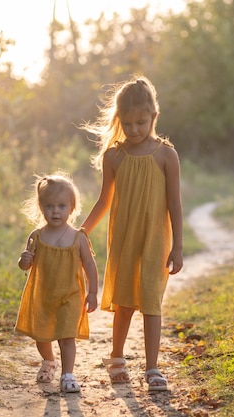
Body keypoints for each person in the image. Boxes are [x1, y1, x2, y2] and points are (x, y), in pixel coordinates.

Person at [80, 75, 183, 392]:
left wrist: (177, 246)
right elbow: (104, 201)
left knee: (152, 301)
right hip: (124, 238)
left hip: (155, 239)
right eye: (128, 123)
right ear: (119, 121)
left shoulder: (166, 155)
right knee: (124, 301)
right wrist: (81, 232)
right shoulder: (115, 156)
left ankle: (153, 368)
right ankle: (117, 358)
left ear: (154, 116)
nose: (135, 129)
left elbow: (174, 204)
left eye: (141, 122)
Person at [15, 172, 99, 393]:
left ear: (72, 208)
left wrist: (92, 293)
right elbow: (26, 265)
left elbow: (90, 265)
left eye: (61, 206)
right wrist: (23, 261)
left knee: (66, 335)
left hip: (70, 295)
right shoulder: (38, 236)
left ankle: (67, 374)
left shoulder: (78, 237)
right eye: (50, 206)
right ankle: (49, 360)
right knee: (42, 336)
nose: (55, 211)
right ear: (41, 207)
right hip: (43, 295)